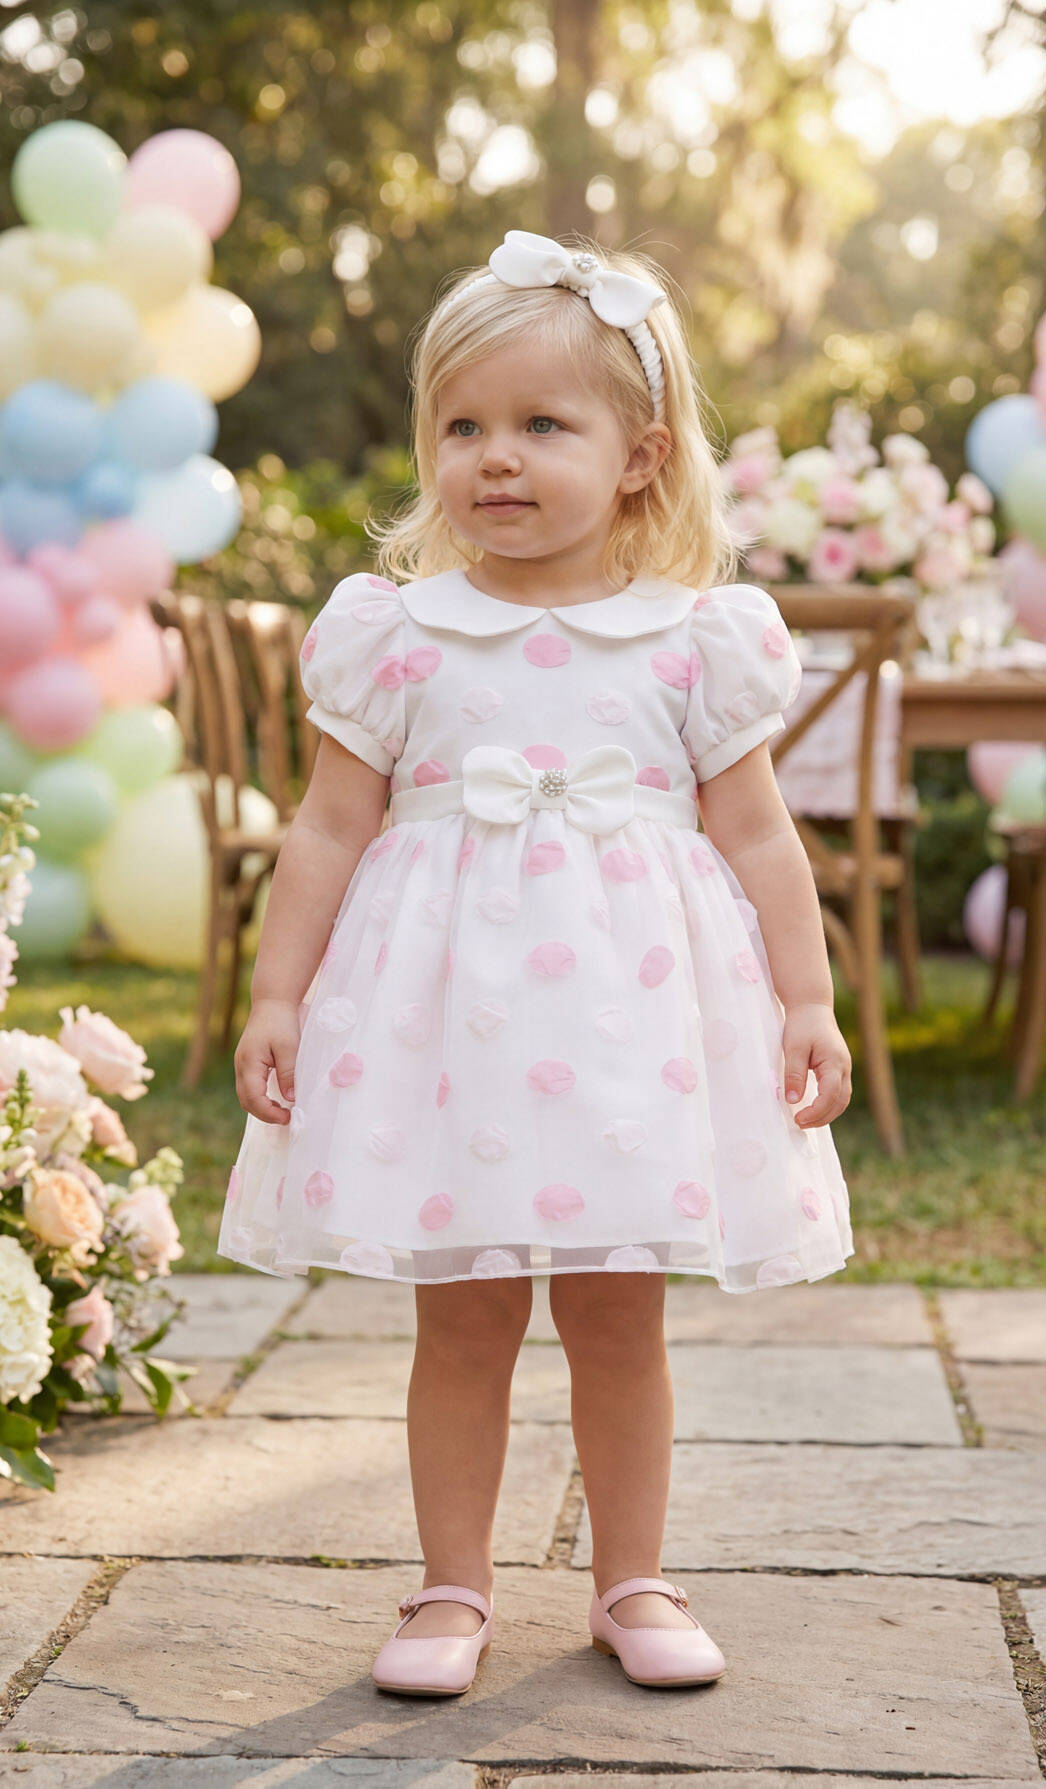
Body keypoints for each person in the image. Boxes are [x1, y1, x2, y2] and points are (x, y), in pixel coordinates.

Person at [220, 228, 853, 1697]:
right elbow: (327, 828)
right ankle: (451, 1587)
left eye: (542, 425)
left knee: (619, 1315)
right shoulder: (398, 636)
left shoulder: (692, 642)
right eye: (462, 427)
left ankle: (634, 1578)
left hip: (633, 1032)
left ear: (641, 457)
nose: (494, 457)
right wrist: (279, 992)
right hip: (454, 1033)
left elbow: (760, 837)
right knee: (465, 1316)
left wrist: (806, 997)